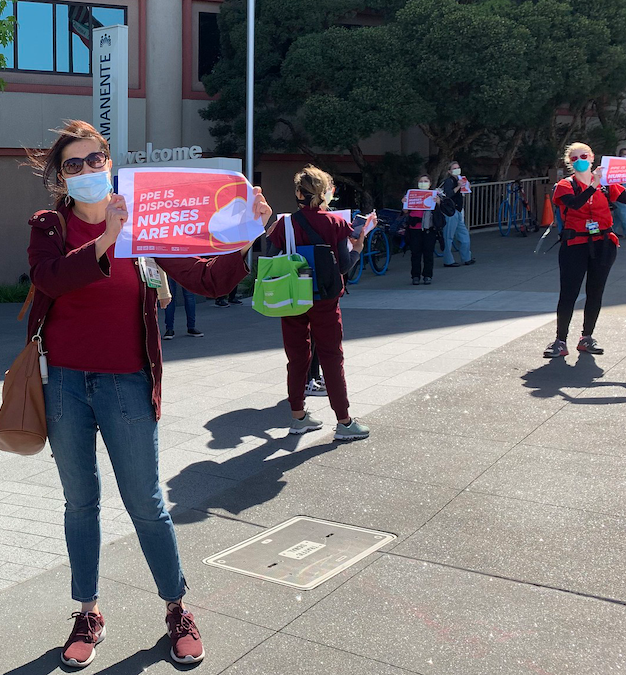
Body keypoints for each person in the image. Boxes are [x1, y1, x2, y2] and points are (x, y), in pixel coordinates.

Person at [24, 120, 269, 669]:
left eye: (95, 160)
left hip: (128, 381)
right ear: (60, 179)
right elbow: (50, 280)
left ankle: (177, 607)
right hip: (63, 381)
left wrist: (245, 234)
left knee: (146, 503)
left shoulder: (145, 214)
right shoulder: (49, 224)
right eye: (74, 164)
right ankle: (87, 611)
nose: (88, 170)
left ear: (109, 162)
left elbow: (210, 281)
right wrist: (109, 240)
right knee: (80, 503)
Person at [268, 166, 369, 441]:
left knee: (297, 357)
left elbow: (271, 258)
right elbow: (344, 265)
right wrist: (358, 249)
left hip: (292, 297)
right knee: (331, 357)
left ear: (298, 193)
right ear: (323, 193)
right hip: (324, 299)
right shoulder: (336, 223)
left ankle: (298, 416)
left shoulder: (284, 224)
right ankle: (344, 422)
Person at [544, 142, 626, 358]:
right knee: (568, 293)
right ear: (570, 163)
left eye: (584, 156)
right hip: (574, 246)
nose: (580, 161)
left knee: (595, 292)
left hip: (603, 243)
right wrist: (592, 184)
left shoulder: (606, 185)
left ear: (592, 157)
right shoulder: (564, 186)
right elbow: (576, 204)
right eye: (575, 158)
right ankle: (560, 340)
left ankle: (586, 337)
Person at [440, 160, 475, 267]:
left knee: (464, 235)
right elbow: (448, 194)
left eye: (458, 168)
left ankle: (466, 257)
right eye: (454, 168)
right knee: (448, 237)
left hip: (458, 210)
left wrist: (465, 186)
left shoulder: (460, 179)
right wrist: (459, 187)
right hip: (451, 212)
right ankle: (448, 260)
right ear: (449, 171)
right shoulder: (449, 181)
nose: (457, 170)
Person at [403, 173, 436, 285]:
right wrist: (404, 203)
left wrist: (438, 202)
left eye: (425, 181)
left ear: (430, 183)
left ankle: (427, 275)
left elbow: (440, 212)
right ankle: (415, 276)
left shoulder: (434, 195)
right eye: (421, 181)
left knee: (428, 253)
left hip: (429, 228)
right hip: (414, 228)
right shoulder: (412, 195)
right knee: (415, 253)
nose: (423, 184)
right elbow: (406, 212)